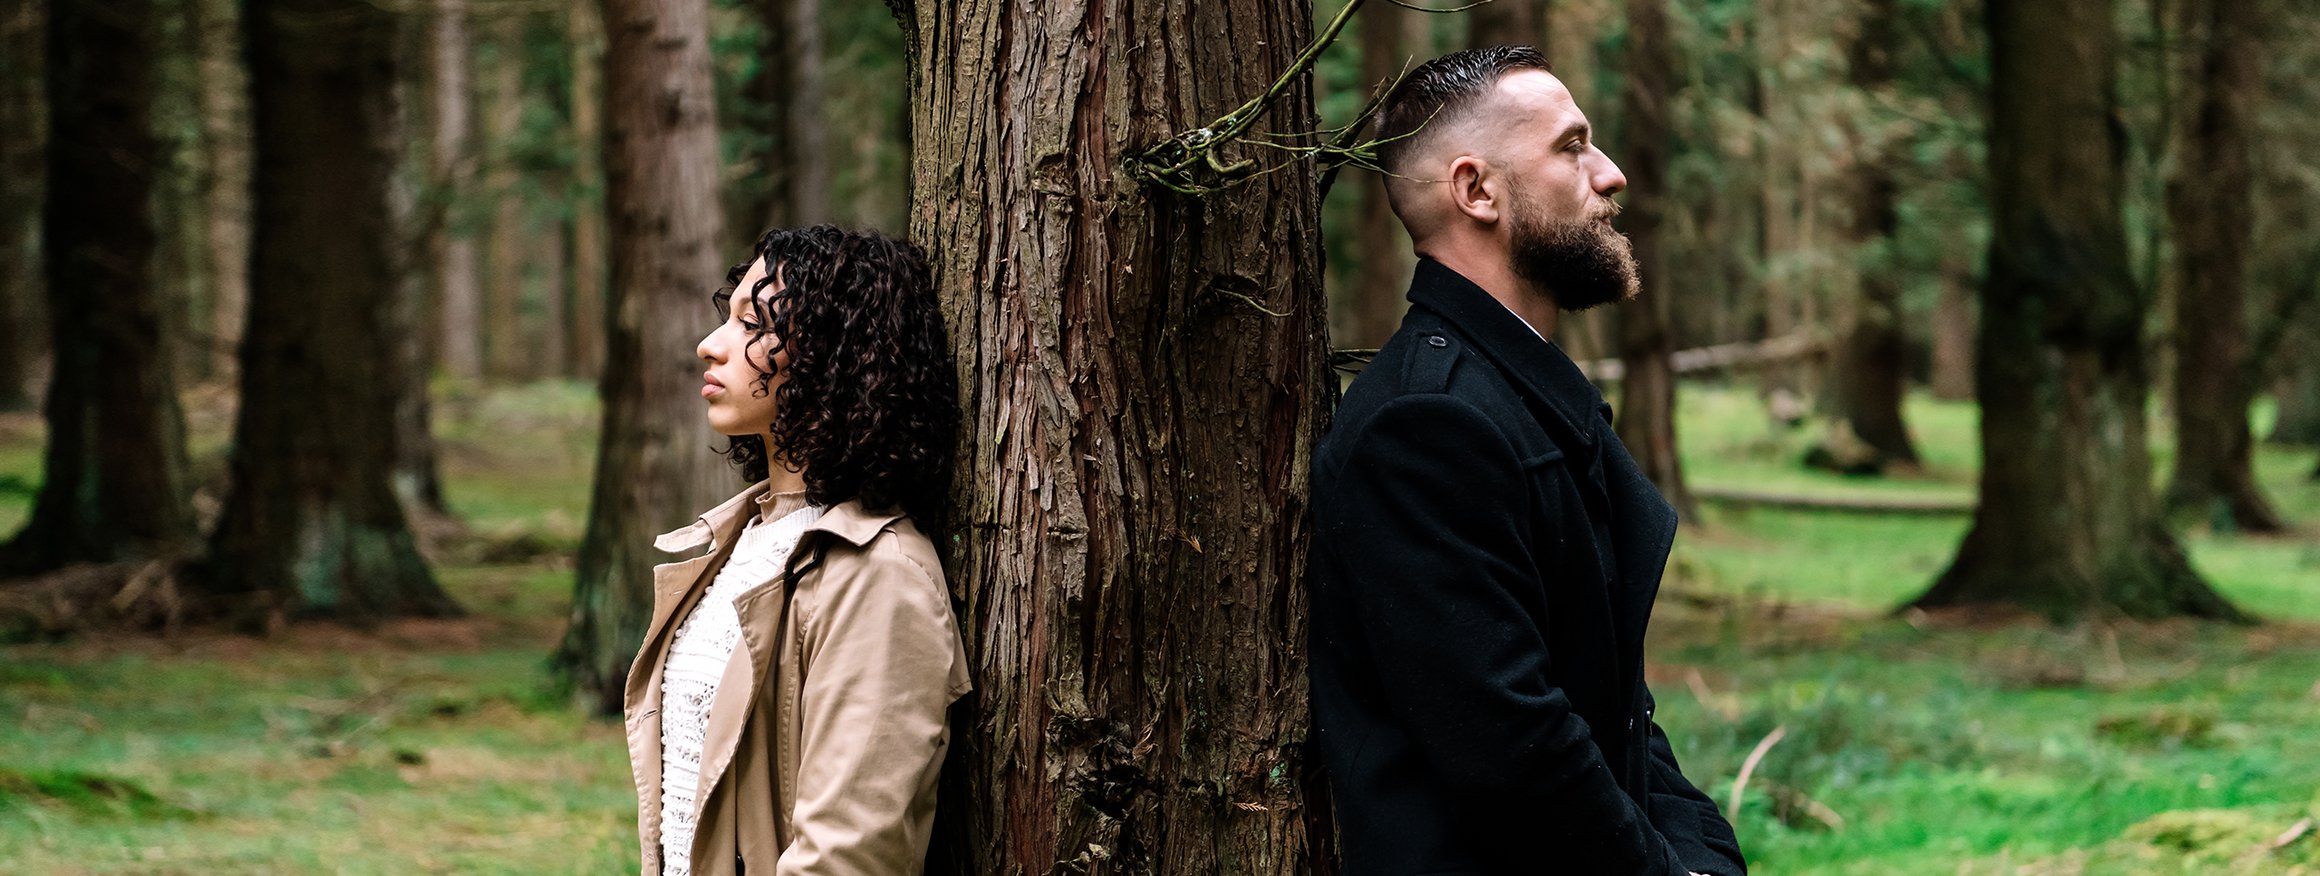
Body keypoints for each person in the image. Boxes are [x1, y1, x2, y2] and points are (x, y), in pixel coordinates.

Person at [1308, 47, 1747, 875]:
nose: (1610, 175)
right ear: (1478, 191)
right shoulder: (1426, 425)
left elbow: (1614, 708)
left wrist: (1700, 856)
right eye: (1572, 147)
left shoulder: (1511, 392)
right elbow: (1515, 754)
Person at [623, 226, 972, 876]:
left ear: (836, 354)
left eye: (752, 323)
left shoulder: (879, 575)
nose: (711, 345)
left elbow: (848, 856)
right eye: (725, 319)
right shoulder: (737, 542)